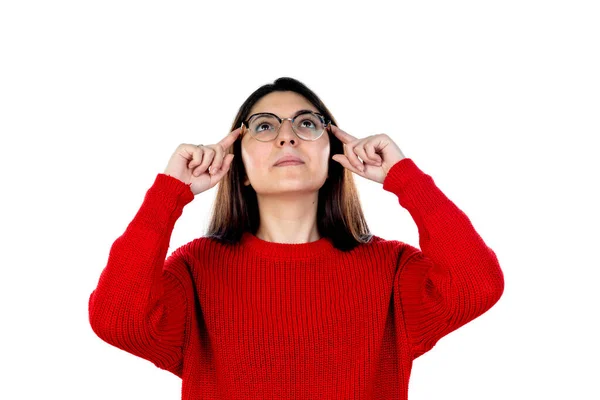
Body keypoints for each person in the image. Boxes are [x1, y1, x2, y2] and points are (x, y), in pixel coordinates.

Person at [88, 77, 504, 399]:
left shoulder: (391, 270)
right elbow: (117, 320)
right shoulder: (196, 269)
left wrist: (405, 178)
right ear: (240, 166)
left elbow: (477, 284)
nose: (287, 136)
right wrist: (167, 194)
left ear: (333, 155)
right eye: (264, 126)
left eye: (307, 124)